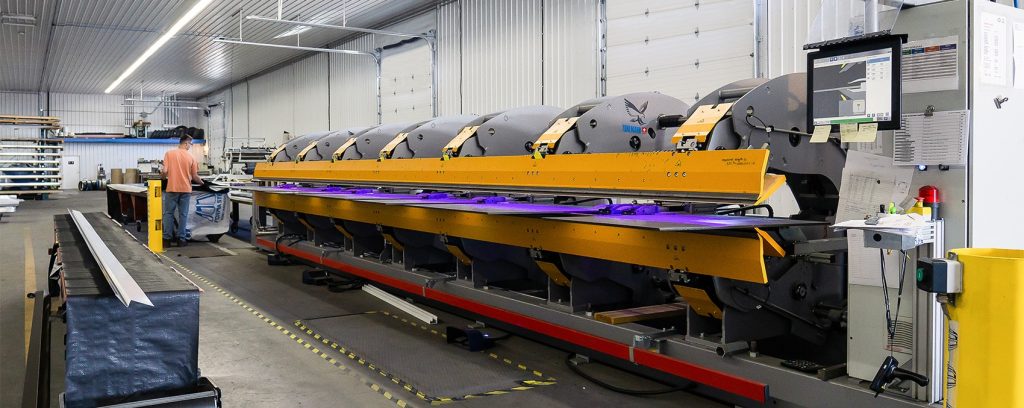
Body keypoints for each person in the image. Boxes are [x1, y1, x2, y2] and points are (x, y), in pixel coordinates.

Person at [161, 135, 202, 247]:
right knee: (183, 214)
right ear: (186, 143)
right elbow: (195, 176)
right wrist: (202, 183)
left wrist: (163, 178)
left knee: (168, 213)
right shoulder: (191, 157)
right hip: (185, 190)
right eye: (190, 144)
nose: (190, 146)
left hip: (172, 188)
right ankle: (181, 239)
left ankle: (166, 240)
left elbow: (164, 171)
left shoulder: (169, 154)